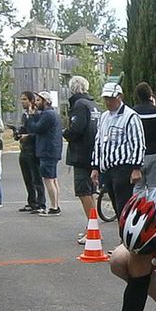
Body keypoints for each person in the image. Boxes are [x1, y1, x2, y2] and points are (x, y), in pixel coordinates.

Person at [91, 83, 144, 221]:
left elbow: (138, 143)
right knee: (116, 204)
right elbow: (98, 142)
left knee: (124, 205)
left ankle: (126, 239)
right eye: (106, 98)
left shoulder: (130, 116)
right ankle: (123, 235)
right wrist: (95, 167)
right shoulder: (104, 117)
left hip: (123, 167)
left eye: (111, 98)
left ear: (120, 97)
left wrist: (136, 168)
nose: (108, 101)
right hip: (107, 168)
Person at [63, 75, 101, 242]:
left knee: (83, 192)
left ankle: (93, 228)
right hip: (93, 153)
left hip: (81, 154)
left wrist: (65, 133)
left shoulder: (79, 105)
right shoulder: (93, 104)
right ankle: (91, 225)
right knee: (90, 192)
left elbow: (76, 129)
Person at [24, 91, 63, 216]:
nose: (36, 103)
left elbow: (36, 128)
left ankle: (53, 207)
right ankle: (55, 204)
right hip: (52, 150)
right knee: (53, 179)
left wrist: (30, 116)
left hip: (47, 150)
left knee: (48, 179)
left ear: (46, 101)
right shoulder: (51, 114)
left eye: (39, 100)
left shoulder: (48, 115)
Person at [132, 82, 156, 190]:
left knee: (138, 189)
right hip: (155, 154)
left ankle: (138, 207)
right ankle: (154, 207)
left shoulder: (133, 113)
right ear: (150, 94)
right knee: (154, 189)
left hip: (137, 157)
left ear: (137, 96)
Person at [13, 91, 46, 213]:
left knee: (36, 177)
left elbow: (37, 131)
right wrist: (18, 133)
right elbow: (24, 128)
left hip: (33, 149)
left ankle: (41, 202)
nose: (22, 102)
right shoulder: (24, 115)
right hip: (24, 148)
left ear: (31, 101)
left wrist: (28, 136)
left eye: (25, 99)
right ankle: (31, 201)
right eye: (21, 99)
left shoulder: (37, 114)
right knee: (27, 177)